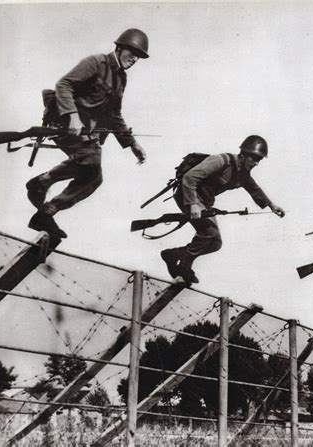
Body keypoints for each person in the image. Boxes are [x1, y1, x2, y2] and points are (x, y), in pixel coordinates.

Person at [26, 29, 149, 239]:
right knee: (92, 157)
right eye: (132, 52)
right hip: (63, 122)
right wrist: (72, 115)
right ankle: (41, 182)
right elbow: (64, 84)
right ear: (119, 48)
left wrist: (132, 144)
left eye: (139, 55)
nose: (134, 58)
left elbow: (114, 114)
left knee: (94, 177)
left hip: (86, 130)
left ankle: (46, 212)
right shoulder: (96, 62)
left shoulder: (121, 79)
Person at [160, 135, 285, 284]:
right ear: (244, 155)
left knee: (215, 243)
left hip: (204, 202)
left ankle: (173, 254)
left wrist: (272, 205)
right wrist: (192, 203)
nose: (256, 163)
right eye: (254, 159)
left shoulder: (243, 173)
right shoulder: (221, 161)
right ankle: (184, 266)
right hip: (188, 195)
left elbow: (254, 189)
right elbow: (189, 178)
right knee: (208, 233)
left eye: (259, 160)